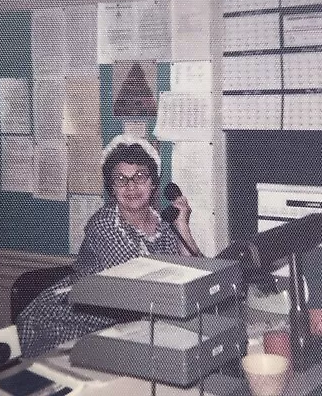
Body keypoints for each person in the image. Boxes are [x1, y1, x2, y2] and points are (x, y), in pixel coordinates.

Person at [16, 134, 201, 357]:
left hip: (123, 325)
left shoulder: (164, 225)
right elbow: (138, 287)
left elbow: (197, 278)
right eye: (121, 179)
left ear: (153, 184)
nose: (131, 186)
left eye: (140, 176)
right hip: (68, 321)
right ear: (112, 188)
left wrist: (182, 227)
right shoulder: (103, 224)